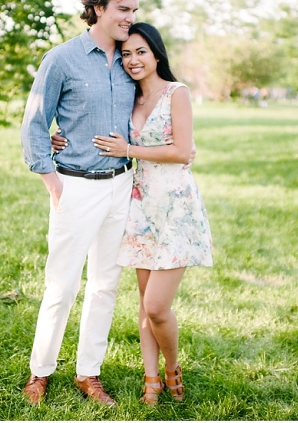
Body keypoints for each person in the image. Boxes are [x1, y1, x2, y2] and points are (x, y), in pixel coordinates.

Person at [57, 23, 213, 405]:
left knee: (158, 307)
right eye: (126, 54)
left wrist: (129, 150)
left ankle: (173, 365)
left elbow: (180, 151)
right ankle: (150, 380)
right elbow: (89, 121)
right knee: (143, 303)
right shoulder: (126, 96)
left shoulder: (177, 93)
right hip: (140, 205)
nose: (133, 60)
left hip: (175, 206)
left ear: (157, 54)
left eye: (140, 52)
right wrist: (55, 136)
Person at [19, 0, 142, 407]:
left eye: (134, 9)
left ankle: (88, 374)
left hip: (121, 185)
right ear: (98, 7)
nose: (131, 17)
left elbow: (152, 108)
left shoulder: (133, 59)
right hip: (75, 186)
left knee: (105, 284)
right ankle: (40, 372)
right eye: (123, 8)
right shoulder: (63, 59)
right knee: (62, 285)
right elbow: (35, 120)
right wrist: (51, 179)